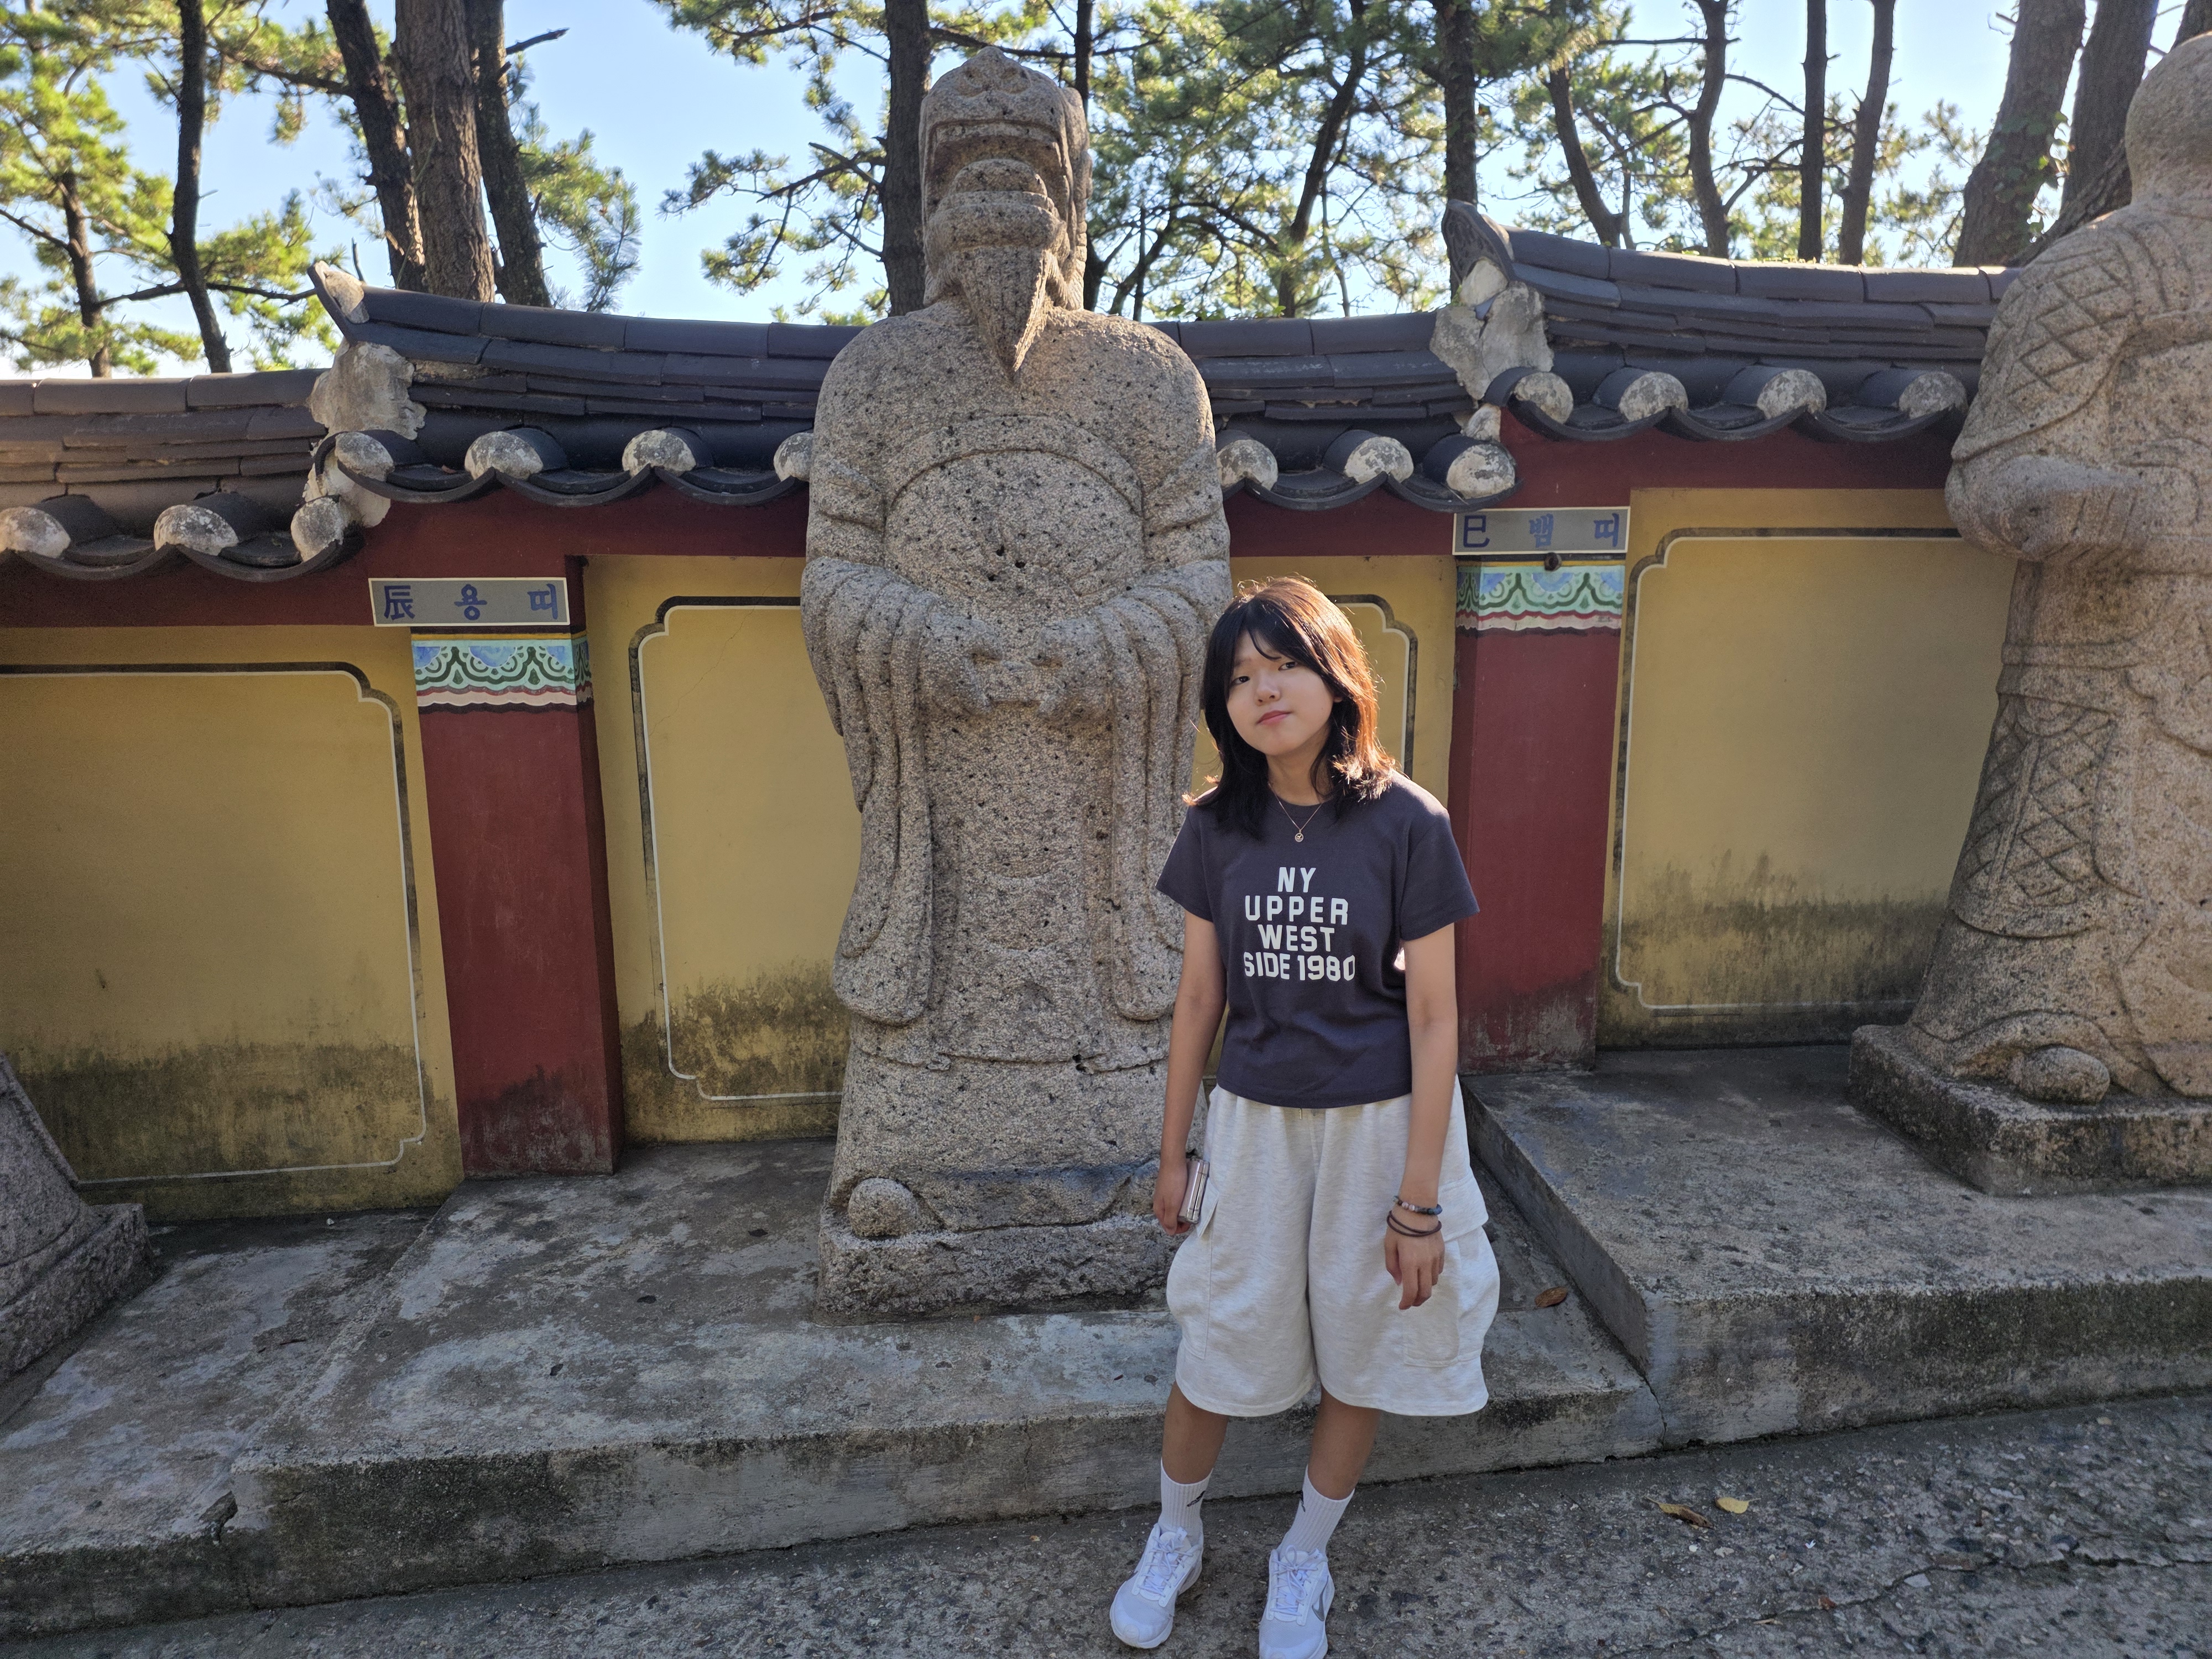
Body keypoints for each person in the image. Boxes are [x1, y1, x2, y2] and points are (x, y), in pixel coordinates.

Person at [1109, 577, 1498, 1657]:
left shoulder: (1407, 822)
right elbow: (1199, 1000)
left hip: (1381, 1129)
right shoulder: (1215, 830)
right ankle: (1175, 1534)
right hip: (1254, 1127)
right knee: (1221, 1335)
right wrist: (1174, 1154)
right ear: (1221, 706)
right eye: (1240, 676)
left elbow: (1434, 1017)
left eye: (1284, 665)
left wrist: (1419, 1202)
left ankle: (1302, 1555)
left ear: (1336, 678)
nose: (1263, 690)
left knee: (1363, 1347)